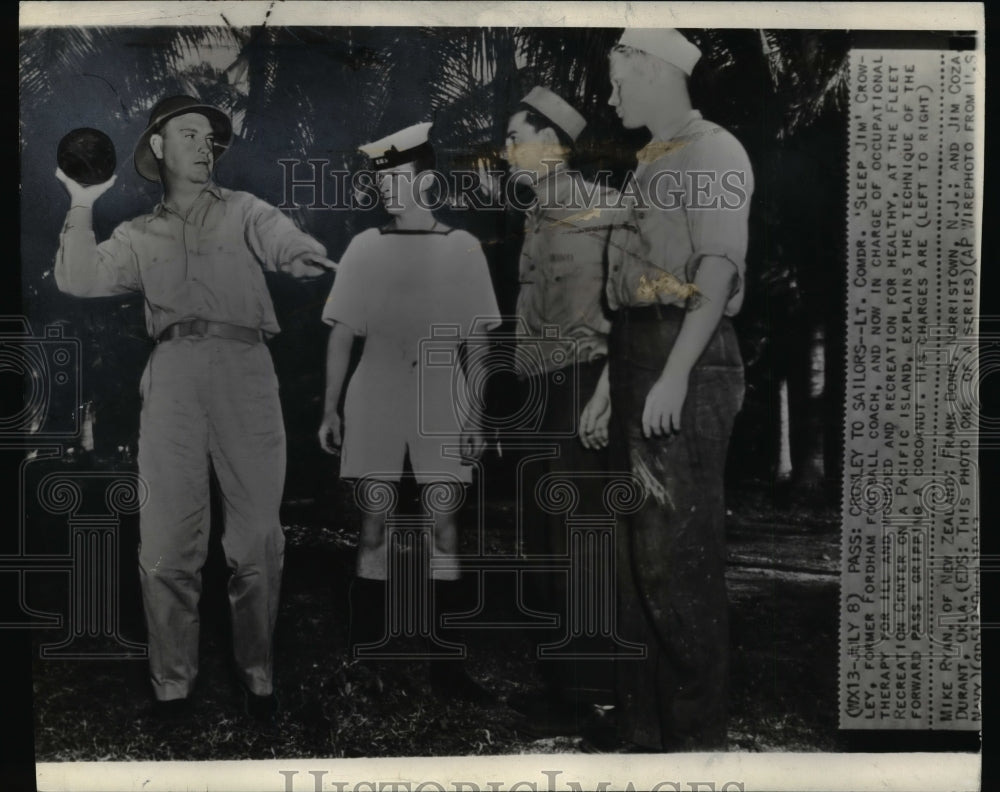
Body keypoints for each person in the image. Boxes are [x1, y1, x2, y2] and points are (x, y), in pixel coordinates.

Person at [54, 94, 336, 723]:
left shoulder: (244, 210)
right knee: (166, 544)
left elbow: (285, 241)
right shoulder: (136, 234)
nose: (204, 147)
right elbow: (76, 279)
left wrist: (303, 255)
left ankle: (258, 679)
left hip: (246, 371)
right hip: (174, 375)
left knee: (258, 540)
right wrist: (80, 201)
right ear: (158, 146)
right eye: (189, 134)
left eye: (211, 139)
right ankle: (173, 689)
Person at [586, 29, 754, 752]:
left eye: (619, 80)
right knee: (636, 555)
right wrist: (606, 389)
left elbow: (712, 276)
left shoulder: (713, 148)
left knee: (676, 556)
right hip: (638, 351)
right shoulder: (653, 158)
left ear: (653, 69)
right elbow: (634, 290)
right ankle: (641, 733)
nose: (611, 94)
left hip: (687, 348)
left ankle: (693, 740)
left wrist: (676, 375)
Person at [318, 122, 500, 703]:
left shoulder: (463, 247)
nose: (389, 191)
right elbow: (342, 333)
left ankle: (447, 667)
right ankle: (364, 658)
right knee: (373, 523)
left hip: (442, 392)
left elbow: (479, 341)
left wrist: (475, 415)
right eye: (382, 182)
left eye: (399, 179)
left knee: (444, 526)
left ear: (426, 180)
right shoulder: (365, 246)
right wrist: (329, 408)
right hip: (376, 390)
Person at [501, 86, 619, 736]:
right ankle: (567, 689)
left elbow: (633, 315)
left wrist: (609, 394)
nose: (507, 151)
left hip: (586, 388)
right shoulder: (535, 218)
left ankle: (601, 692)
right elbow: (525, 318)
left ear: (553, 145)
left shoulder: (608, 210)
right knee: (546, 545)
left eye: (516, 138)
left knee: (585, 540)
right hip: (541, 390)